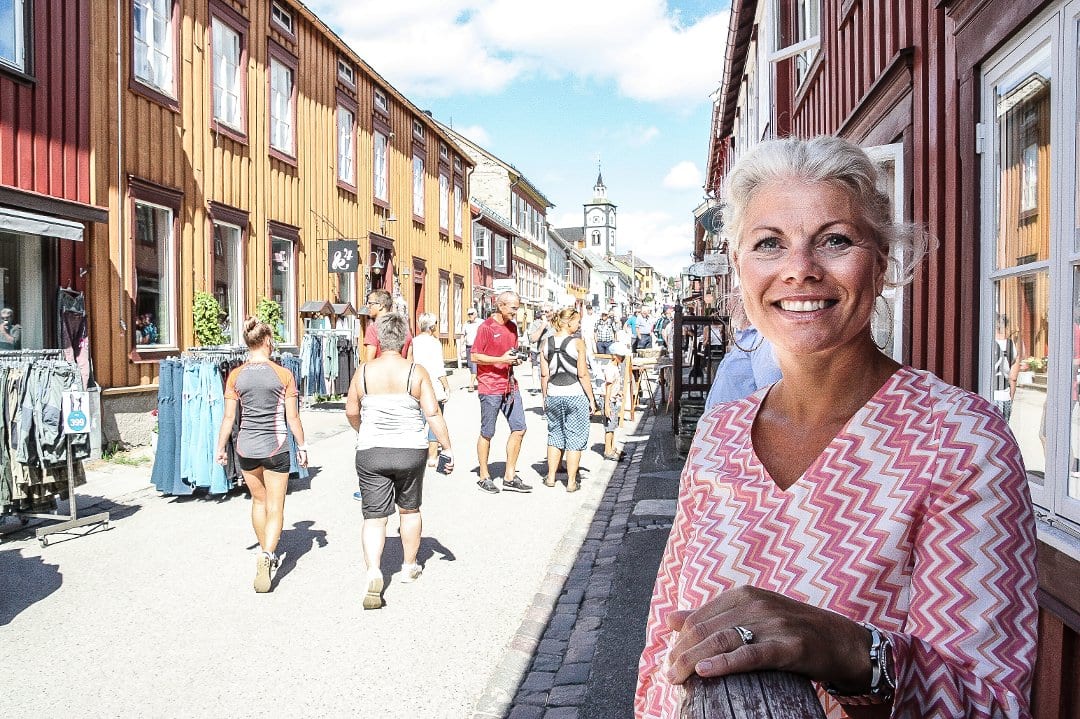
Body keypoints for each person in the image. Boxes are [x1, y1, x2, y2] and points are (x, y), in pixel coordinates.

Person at [636, 136, 1037, 718]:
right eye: (770, 243)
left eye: (835, 240)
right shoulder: (720, 435)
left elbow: (989, 703)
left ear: (881, 265)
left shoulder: (961, 441)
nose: (800, 270)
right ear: (740, 271)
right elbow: (659, 653)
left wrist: (850, 652)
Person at [345, 313, 454, 610]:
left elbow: (351, 410)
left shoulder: (364, 371)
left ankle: (373, 571)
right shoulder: (415, 372)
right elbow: (432, 413)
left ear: (379, 340)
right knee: (409, 509)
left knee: (374, 517)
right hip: (410, 450)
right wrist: (446, 448)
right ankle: (408, 566)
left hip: (371, 450)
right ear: (406, 340)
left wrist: (363, 429)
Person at [215, 317, 309, 594]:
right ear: (268, 341)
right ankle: (267, 554)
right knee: (276, 506)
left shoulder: (236, 376)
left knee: (258, 501)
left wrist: (220, 448)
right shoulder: (283, 375)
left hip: (246, 447)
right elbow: (292, 417)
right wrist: (302, 447)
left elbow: (229, 417)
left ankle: (265, 552)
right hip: (275, 446)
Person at [470, 291, 531, 494]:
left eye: (517, 307)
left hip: (510, 385)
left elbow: (510, 353)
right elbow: (475, 356)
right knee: (487, 432)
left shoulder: (513, 327)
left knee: (519, 427)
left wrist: (515, 358)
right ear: (501, 306)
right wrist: (501, 359)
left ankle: (509, 476)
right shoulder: (486, 328)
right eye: (513, 308)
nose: (516, 311)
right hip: (490, 386)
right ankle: (484, 476)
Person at [540, 307, 597, 492]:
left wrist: (545, 396)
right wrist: (591, 399)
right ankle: (571, 482)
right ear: (568, 322)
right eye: (577, 322)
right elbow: (582, 374)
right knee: (575, 436)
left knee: (554, 435)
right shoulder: (578, 343)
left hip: (554, 394)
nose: (579, 325)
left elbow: (543, 374)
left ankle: (550, 477)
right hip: (575, 394)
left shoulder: (545, 343)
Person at [703, 325, 782, 410]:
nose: (728, 311)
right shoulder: (747, 337)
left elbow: (772, 406)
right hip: (723, 419)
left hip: (736, 420)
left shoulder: (762, 338)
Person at [412, 312, 451, 467]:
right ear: (432, 326)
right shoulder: (435, 343)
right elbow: (438, 368)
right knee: (435, 419)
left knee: (417, 421)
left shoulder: (413, 342)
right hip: (433, 385)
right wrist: (446, 386)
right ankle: (432, 456)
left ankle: (414, 455)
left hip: (416, 384)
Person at [363, 289, 412, 361]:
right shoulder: (404, 328)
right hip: (401, 370)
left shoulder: (373, 329)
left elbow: (368, 361)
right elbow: (410, 359)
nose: (367, 306)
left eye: (370, 303)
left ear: (381, 306)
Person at [601, 341, 631, 460]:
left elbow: (613, 385)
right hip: (608, 400)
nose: (622, 358)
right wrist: (607, 405)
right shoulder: (610, 369)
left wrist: (618, 392)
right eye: (620, 356)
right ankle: (608, 450)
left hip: (613, 399)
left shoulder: (615, 368)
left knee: (613, 425)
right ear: (614, 356)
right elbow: (608, 388)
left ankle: (612, 447)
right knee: (609, 426)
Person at [527, 306, 554, 392]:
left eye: (546, 311)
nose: (544, 313)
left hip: (557, 357)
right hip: (543, 358)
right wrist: (543, 325)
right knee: (545, 386)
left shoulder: (558, 323)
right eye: (542, 311)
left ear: (552, 312)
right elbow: (532, 339)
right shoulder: (537, 323)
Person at [462, 308, 483, 392]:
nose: (470, 315)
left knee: (474, 365)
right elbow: (463, 336)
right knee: (470, 366)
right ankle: (481, 383)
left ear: (475, 314)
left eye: (471, 313)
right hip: (468, 346)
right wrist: (461, 348)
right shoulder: (466, 324)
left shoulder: (481, 322)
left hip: (477, 347)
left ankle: (471, 384)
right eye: (468, 314)